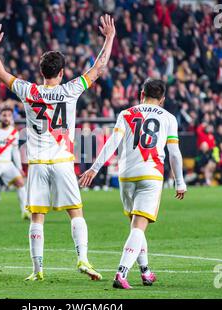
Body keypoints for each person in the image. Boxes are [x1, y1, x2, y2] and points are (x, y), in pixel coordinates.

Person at [0, 14, 116, 281]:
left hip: (37, 163)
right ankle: (83, 258)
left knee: (37, 217)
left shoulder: (29, 91)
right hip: (63, 161)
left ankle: (37, 270)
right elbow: (99, 67)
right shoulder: (71, 89)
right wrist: (110, 37)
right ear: (61, 73)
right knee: (75, 213)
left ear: (42, 72)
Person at [79, 78, 187, 289]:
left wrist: (95, 168)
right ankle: (121, 273)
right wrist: (180, 182)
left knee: (136, 225)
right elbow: (174, 152)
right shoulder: (169, 118)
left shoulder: (126, 113)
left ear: (141, 94)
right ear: (162, 99)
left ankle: (145, 272)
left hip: (126, 176)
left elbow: (113, 142)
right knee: (139, 226)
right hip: (151, 174)